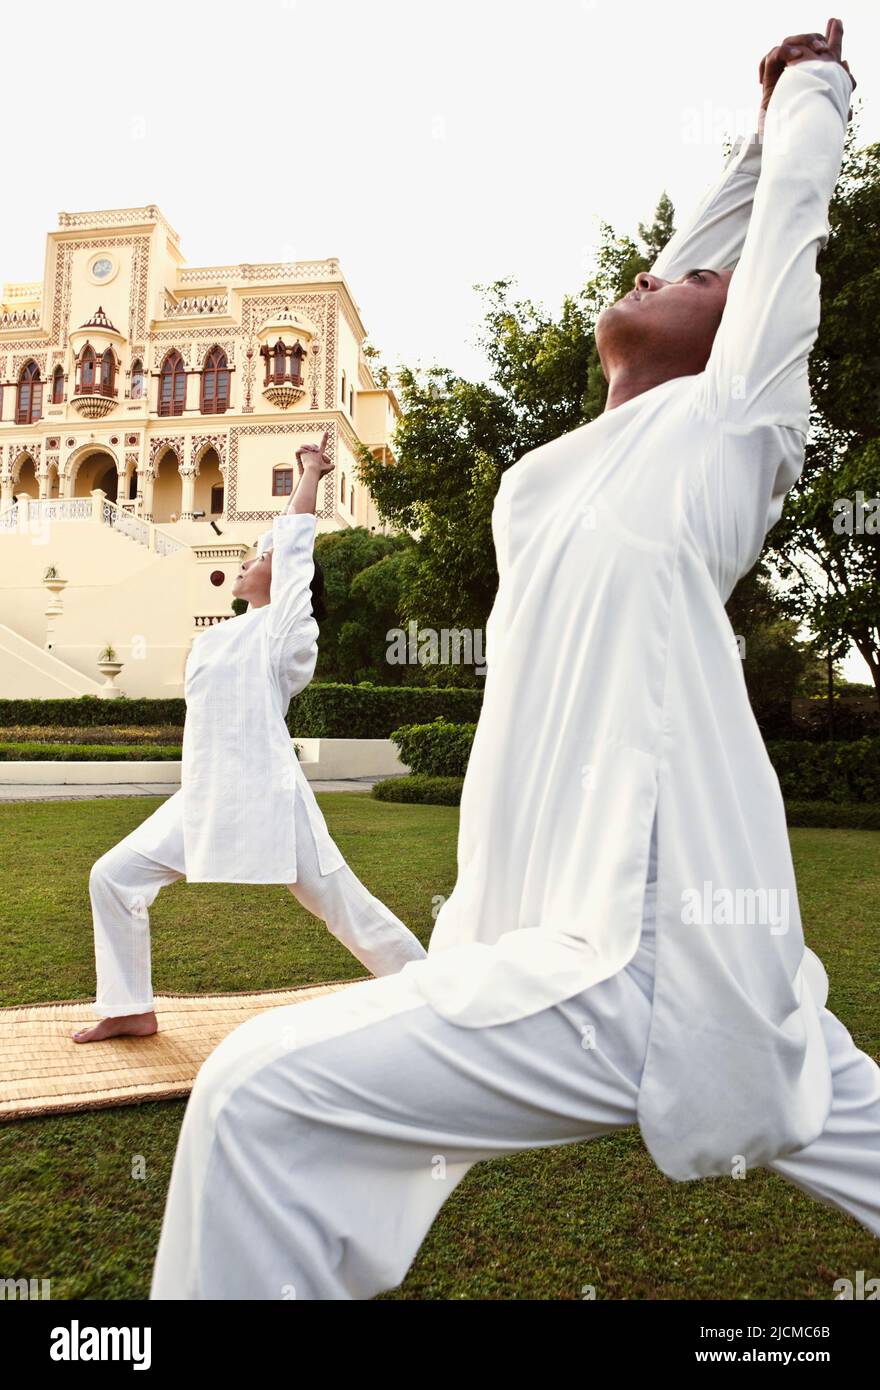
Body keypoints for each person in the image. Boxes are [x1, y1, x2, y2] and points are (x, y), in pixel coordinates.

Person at [150, 23, 879, 1299]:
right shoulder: (551, 487)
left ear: (734, 339)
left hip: (639, 963)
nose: (670, 276)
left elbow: (775, 241)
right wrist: (750, 143)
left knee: (254, 1097)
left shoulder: (731, 433)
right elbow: (702, 256)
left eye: (706, 286)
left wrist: (812, 91)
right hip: (587, 943)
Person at [73, 432, 426, 1043]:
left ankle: (431, 991)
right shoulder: (220, 637)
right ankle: (130, 1005)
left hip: (266, 793)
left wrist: (311, 474)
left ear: (285, 577)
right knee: (114, 876)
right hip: (206, 796)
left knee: (339, 902)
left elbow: (292, 550)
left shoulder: (285, 634)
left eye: (255, 559)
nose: (246, 563)